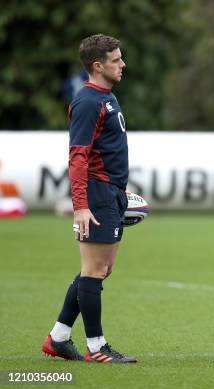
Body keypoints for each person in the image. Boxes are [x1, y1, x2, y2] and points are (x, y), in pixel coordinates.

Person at [41, 34, 136, 363]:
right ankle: (96, 346)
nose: (123, 64)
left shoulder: (106, 97)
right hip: (95, 194)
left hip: (110, 192)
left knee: (100, 268)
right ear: (98, 66)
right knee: (94, 270)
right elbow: (78, 157)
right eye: (116, 60)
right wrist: (81, 205)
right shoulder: (87, 102)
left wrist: (120, 192)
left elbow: (105, 151)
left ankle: (59, 337)